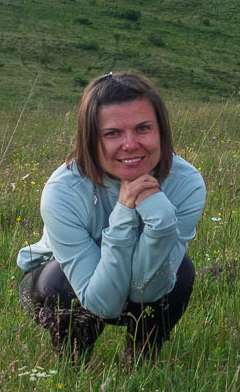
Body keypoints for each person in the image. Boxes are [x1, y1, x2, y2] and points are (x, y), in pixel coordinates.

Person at [17, 72, 206, 362]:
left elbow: (148, 289)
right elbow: (102, 303)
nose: (130, 144)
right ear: (90, 140)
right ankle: (74, 363)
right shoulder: (62, 191)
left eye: (143, 128)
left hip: (140, 281)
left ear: (162, 132)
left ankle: (140, 361)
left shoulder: (186, 182)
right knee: (60, 283)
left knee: (180, 271)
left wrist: (162, 221)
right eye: (112, 133)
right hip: (59, 282)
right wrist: (124, 213)